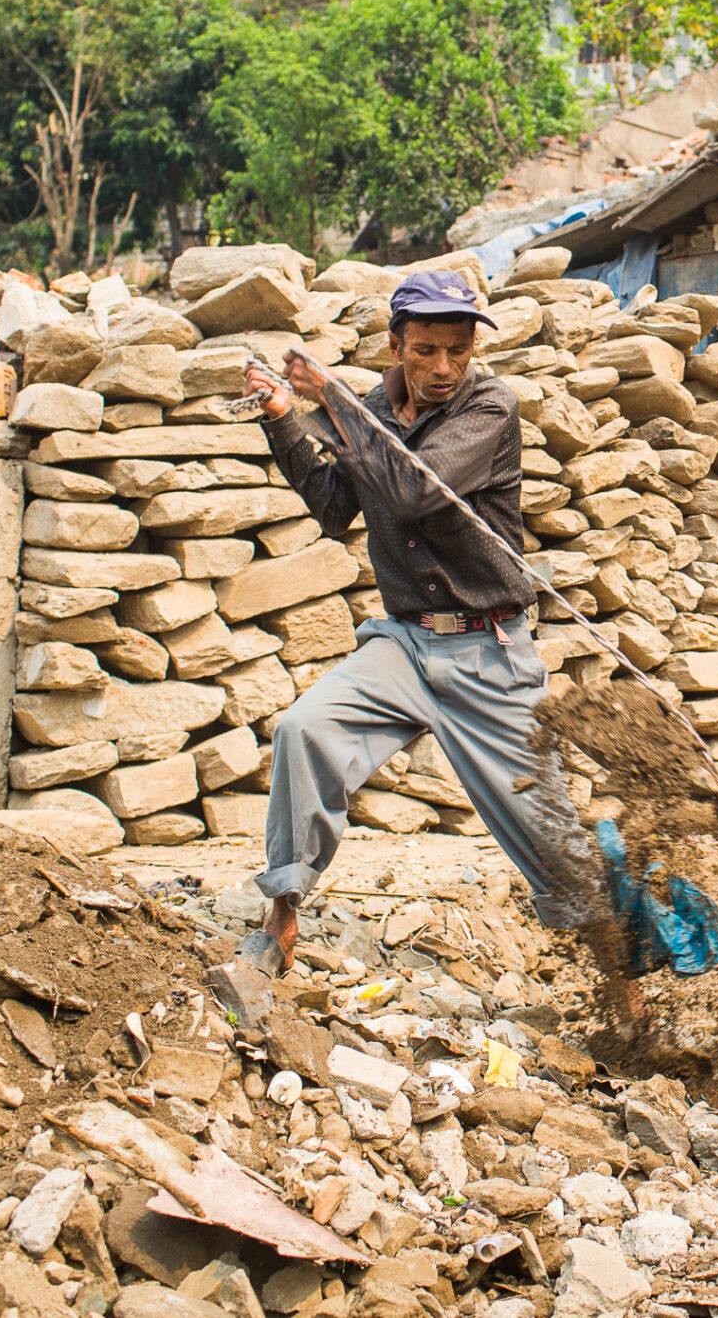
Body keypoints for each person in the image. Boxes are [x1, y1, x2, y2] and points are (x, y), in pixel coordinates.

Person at [233, 269, 588, 978]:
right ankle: (280, 925)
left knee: (554, 835)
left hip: (489, 651)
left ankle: (634, 990)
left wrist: (328, 396)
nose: (443, 368)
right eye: (426, 349)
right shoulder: (370, 404)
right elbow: (338, 506)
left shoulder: (489, 406)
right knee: (305, 731)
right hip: (403, 641)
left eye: (457, 349)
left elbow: (415, 490)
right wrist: (282, 416)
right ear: (396, 344)